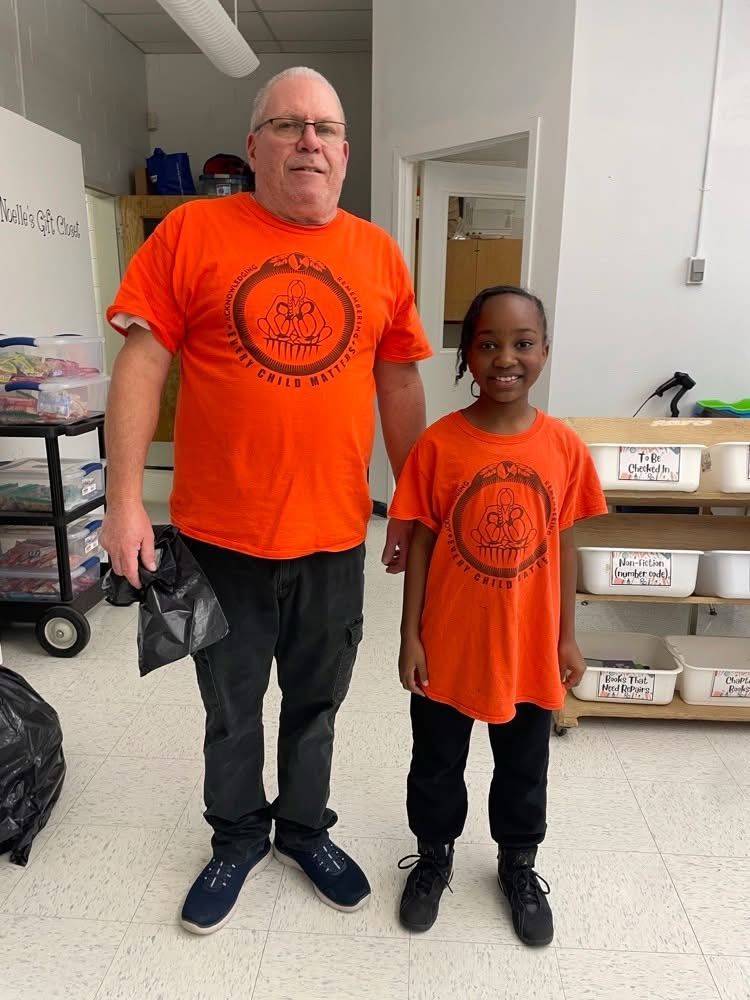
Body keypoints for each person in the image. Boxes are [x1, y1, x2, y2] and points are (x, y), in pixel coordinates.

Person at [102, 66, 431, 935]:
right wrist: (124, 500)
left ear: (346, 154)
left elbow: (399, 382)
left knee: (318, 701)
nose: (309, 141)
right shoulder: (190, 231)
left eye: (326, 128)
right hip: (220, 538)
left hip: (333, 537)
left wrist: (411, 500)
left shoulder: (377, 253)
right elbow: (141, 363)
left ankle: (304, 829)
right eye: (288, 125)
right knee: (231, 705)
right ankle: (238, 835)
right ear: (254, 147)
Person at [389, 286, 607, 946]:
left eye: (522, 343)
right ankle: (434, 857)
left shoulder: (564, 447)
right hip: (449, 643)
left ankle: (517, 864)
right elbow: (422, 541)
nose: (505, 358)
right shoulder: (439, 444)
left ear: (544, 351)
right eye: (488, 344)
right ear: (466, 355)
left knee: (523, 766)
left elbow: (566, 544)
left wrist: (567, 637)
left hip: (529, 646)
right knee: (436, 762)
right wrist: (409, 635)